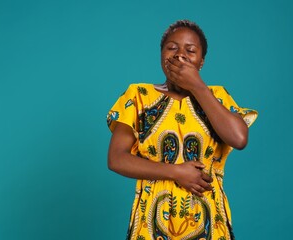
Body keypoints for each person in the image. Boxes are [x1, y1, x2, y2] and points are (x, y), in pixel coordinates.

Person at [106, 19, 257, 240]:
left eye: (190, 50)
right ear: (161, 54)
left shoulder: (217, 97)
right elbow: (116, 159)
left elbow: (239, 138)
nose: (180, 55)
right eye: (172, 47)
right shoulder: (138, 96)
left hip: (209, 222)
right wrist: (176, 172)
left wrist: (197, 86)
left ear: (201, 61)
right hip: (151, 223)